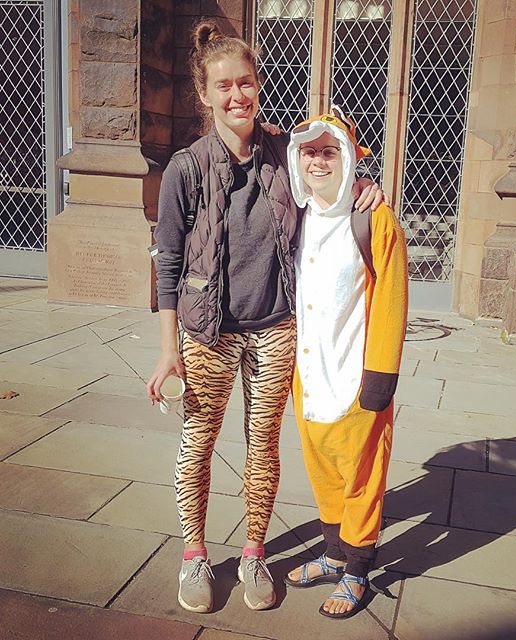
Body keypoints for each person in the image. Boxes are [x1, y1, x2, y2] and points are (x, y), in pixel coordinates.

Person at [146, 23, 382, 614]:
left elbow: (332, 168)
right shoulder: (185, 169)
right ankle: (194, 555)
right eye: (224, 86)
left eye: (246, 83)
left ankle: (254, 552)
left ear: (258, 85)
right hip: (208, 331)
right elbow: (168, 261)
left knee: (263, 447)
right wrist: (168, 348)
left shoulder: (284, 152)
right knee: (198, 442)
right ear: (205, 94)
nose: (237, 96)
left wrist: (365, 184)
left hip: (276, 328)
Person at [283, 107, 408, 619]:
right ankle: (333, 555)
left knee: (361, 475)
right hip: (309, 376)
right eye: (308, 151)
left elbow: (392, 299)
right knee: (323, 472)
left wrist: (381, 376)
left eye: (329, 151)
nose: (317, 160)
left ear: (350, 158)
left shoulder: (374, 218)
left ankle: (357, 569)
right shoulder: (295, 216)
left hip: (357, 375)